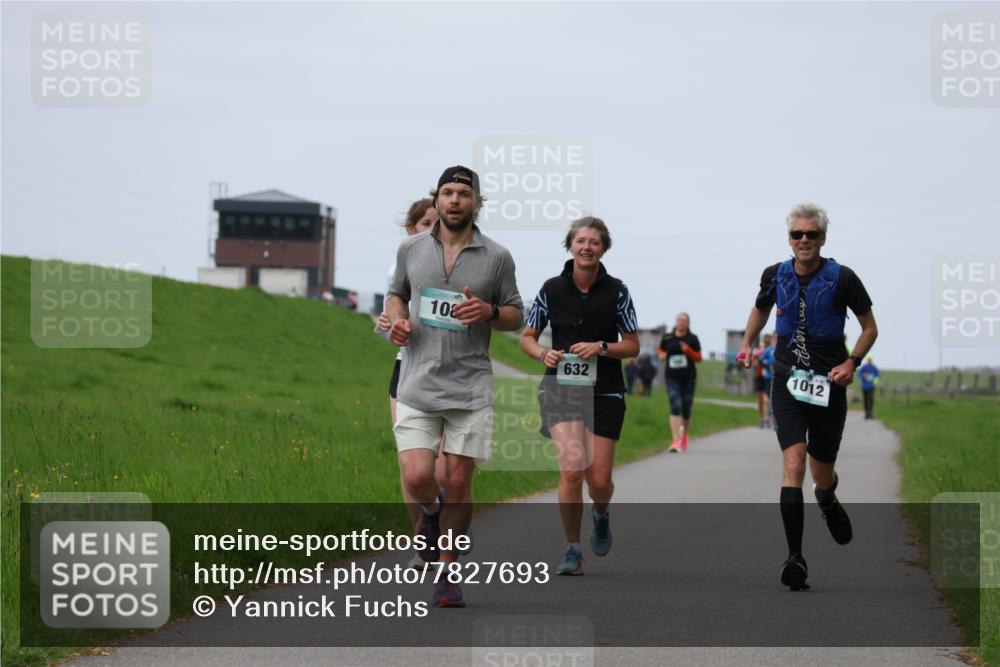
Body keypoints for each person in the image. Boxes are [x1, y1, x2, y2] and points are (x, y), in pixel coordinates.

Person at [386, 165, 523, 607]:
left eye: (464, 193)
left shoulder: (497, 257)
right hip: (418, 378)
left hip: (469, 383)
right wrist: (398, 321)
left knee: (460, 483)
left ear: (476, 202)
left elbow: (516, 314)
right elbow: (395, 294)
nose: (455, 200)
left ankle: (448, 571)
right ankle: (429, 513)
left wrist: (487, 311)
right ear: (438, 200)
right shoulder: (410, 248)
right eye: (447, 192)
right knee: (418, 475)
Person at [737, 202, 878, 591]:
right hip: (787, 381)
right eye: (797, 234)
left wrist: (852, 363)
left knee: (820, 471)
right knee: (793, 464)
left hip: (830, 383)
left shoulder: (843, 278)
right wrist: (748, 343)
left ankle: (828, 497)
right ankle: (794, 557)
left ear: (822, 238)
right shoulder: (775, 274)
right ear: (789, 239)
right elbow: (760, 309)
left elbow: (869, 328)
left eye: (810, 235)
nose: (803, 241)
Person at [519, 217, 639, 575]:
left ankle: (600, 513)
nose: (587, 247)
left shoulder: (618, 291)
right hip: (561, 387)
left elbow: (633, 345)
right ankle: (572, 549)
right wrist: (543, 353)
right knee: (572, 471)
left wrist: (602, 347)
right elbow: (528, 336)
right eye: (581, 241)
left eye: (594, 242)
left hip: (605, 391)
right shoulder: (551, 289)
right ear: (570, 245)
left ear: (604, 248)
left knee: (598, 480)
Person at [376, 198, 446, 569]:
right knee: (411, 467)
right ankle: (422, 537)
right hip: (407, 371)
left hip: (451, 375)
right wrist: (388, 325)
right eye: (424, 224)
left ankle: (437, 516)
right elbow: (388, 321)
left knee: (439, 471)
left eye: (437, 224)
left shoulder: (463, 264)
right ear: (411, 229)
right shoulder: (399, 267)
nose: (432, 230)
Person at [658, 313, 702, 452]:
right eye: (679, 320)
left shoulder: (692, 338)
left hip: (688, 377)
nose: (681, 323)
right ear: (676, 322)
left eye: (683, 320)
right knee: (675, 404)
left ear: (688, 323)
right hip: (671, 377)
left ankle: (684, 436)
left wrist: (688, 350)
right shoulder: (667, 337)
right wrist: (661, 355)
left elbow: (699, 358)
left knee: (687, 408)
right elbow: (660, 349)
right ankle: (676, 440)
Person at [753, 333, 776, 428]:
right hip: (766, 377)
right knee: (765, 399)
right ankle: (765, 418)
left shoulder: (779, 349)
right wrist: (765, 364)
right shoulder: (766, 350)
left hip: (777, 378)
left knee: (772, 399)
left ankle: (771, 419)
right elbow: (758, 360)